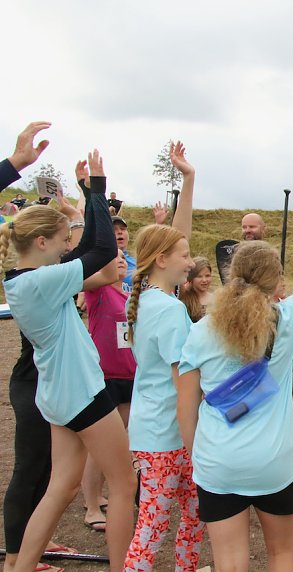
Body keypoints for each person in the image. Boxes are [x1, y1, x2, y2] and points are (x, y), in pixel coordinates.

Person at [175, 172, 293, 571]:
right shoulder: (287, 318)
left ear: (231, 275)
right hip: (275, 459)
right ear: (277, 282)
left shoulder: (199, 331)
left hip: (219, 460)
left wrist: (201, 455)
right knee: (282, 555)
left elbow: (185, 409)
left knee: (229, 562)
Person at [2, 143, 138, 572]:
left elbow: (88, 254)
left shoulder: (24, 280)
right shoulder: (40, 282)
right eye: (61, 241)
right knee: (123, 482)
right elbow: (99, 251)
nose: (66, 249)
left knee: (60, 488)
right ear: (40, 241)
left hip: (58, 392)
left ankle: (19, 566)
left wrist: (90, 194)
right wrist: (96, 191)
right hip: (81, 391)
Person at [124, 141, 203, 572]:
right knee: (157, 528)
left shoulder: (149, 298)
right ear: (162, 260)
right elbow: (184, 384)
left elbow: (177, 237)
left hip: (154, 431)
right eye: (186, 256)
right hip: (171, 435)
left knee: (185, 521)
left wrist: (188, 180)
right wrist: (196, 443)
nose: (191, 261)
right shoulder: (171, 311)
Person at [80, 249, 137, 533]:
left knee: (119, 441)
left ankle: (101, 493)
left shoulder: (129, 296)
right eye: (114, 258)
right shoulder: (98, 291)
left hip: (129, 376)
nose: (121, 262)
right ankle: (91, 505)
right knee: (98, 447)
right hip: (105, 376)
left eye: (124, 259)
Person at [179, 256, 214, 322]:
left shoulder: (217, 299)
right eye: (199, 276)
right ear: (191, 278)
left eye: (207, 276)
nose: (204, 280)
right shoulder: (185, 301)